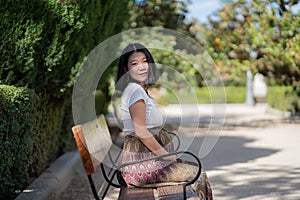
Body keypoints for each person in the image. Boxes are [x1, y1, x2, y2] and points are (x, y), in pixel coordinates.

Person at [115, 43, 213, 199]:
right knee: (198, 173)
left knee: (196, 172)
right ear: (126, 70)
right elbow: (141, 131)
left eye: (144, 61)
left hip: (145, 161)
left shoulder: (139, 90)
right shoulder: (135, 92)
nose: (142, 67)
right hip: (140, 166)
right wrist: (167, 156)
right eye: (134, 63)